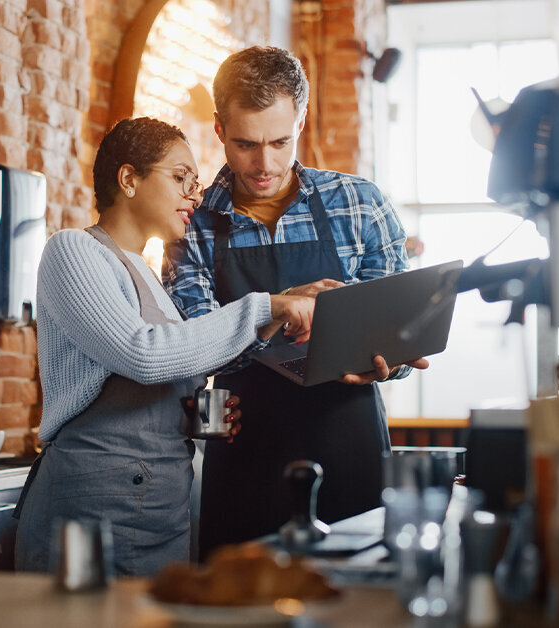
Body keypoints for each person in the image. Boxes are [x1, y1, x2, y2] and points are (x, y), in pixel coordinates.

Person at [13, 117, 315, 577]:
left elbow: (157, 374)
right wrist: (264, 307)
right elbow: (143, 354)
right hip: (94, 507)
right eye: (180, 179)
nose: (194, 194)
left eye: (195, 183)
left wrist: (195, 416)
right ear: (129, 179)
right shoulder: (72, 250)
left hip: (158, 510)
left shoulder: (148, 277)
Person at [163, 46, 429, 559]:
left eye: (280, 141)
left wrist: (390, 362)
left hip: (349, 443)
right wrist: (278, 308)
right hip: (246, 452)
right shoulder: (189, 223)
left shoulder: (360, 204)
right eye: (245, 144)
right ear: (219, 129)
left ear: (301, 120)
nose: (264, 163)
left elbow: (398, 330)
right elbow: (192, 346)